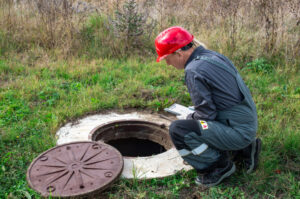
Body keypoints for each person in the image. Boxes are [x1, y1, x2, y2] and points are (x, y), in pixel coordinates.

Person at [155, 26, 262, 187]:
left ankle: (218, 167)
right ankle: (246, 148)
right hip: (245, 121)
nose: (168, 64)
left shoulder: (193, 70)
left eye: (167, 58)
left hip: (238, 131)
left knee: (179, 130)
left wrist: (189, 117)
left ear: (179, 53)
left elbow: (206, 115)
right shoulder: (211, 56)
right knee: (194, 116)